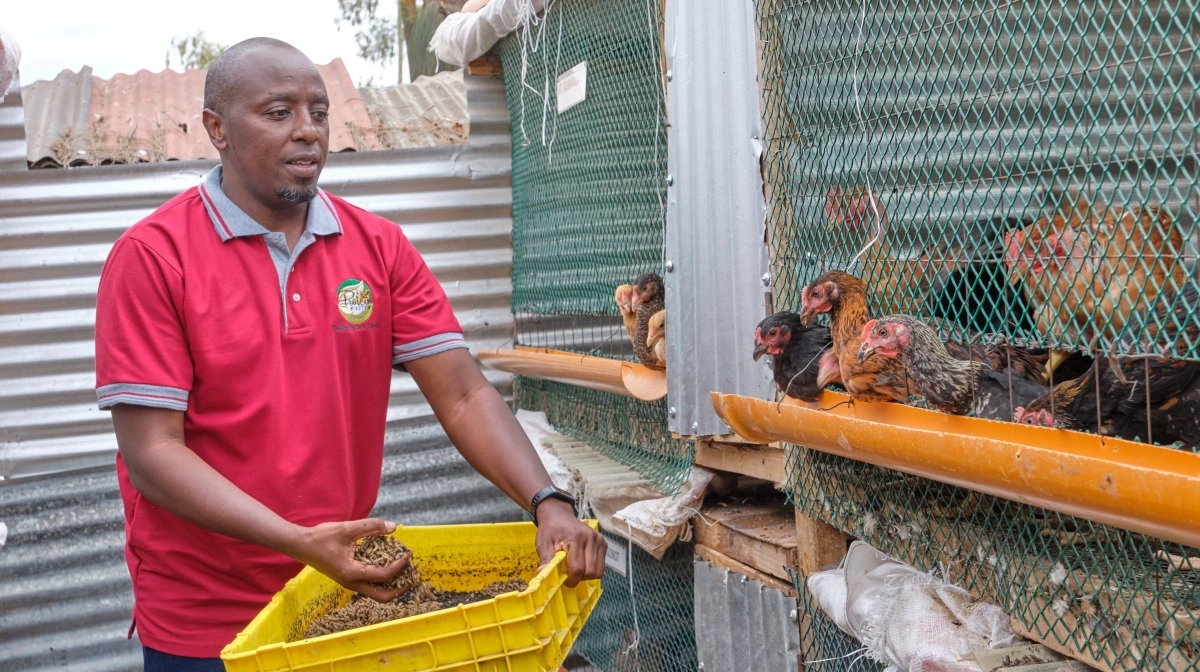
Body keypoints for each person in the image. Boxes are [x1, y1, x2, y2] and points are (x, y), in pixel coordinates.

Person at [94, 37, 605, 671]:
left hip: (337, 600)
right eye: (278, 112)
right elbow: (152, 453)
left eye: (319, 111)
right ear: (216, 129)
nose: (308, 131)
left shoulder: (378, 247)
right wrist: (297, 541)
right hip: (207, 619)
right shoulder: (154, 257)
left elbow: (464, 392)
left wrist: (547, 501)